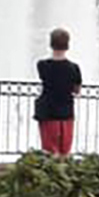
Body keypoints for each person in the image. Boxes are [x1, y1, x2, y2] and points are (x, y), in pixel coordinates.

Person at [35, 28, 82, 157]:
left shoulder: (42, 65)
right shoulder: (74, 68)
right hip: (66, 113)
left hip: (48, 113)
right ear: (68, 45)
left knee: (49, 152)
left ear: (51, 44)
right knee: (64, 152)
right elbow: (77, 91)